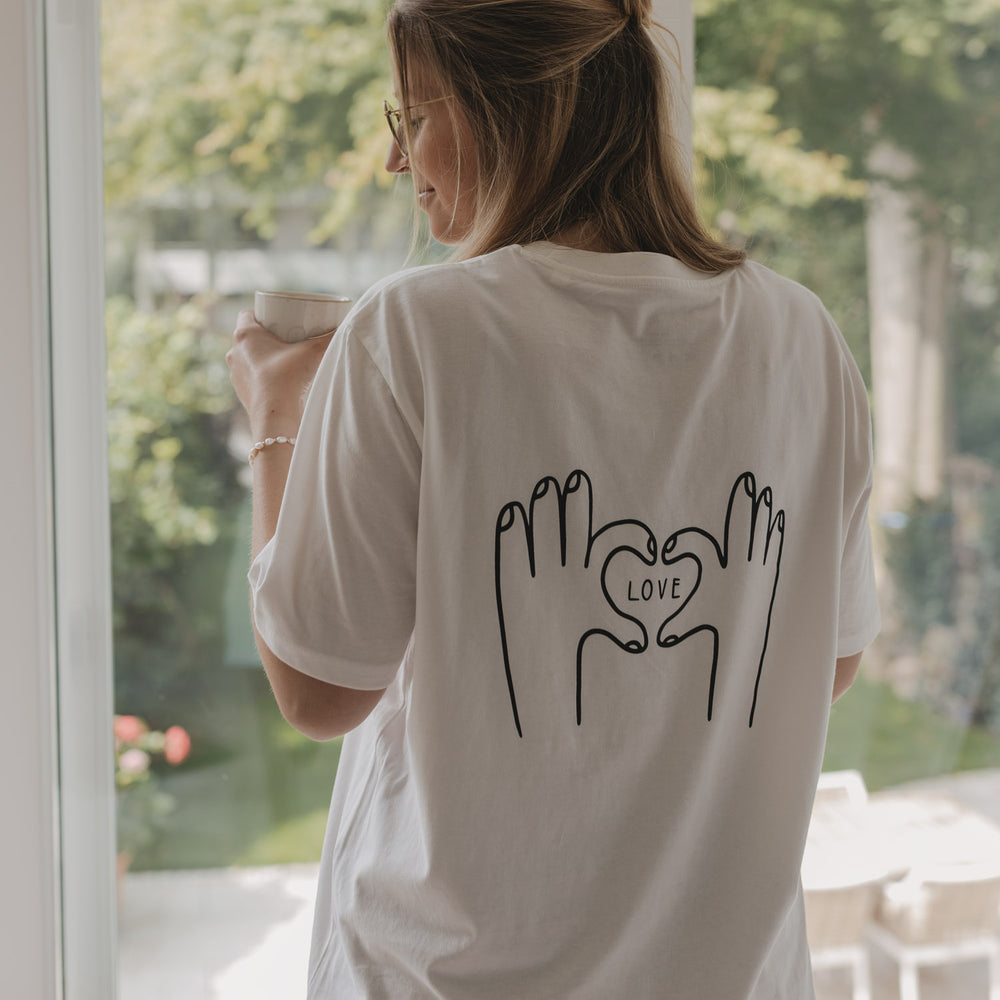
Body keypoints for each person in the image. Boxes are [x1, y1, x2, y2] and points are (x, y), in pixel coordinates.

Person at [226, 0, 880, 995]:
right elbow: (822, 662)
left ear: (503, 111)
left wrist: (279, 419)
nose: (397, 162)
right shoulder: (800, 337)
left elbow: (317, 687)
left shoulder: (416, 330)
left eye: (412, 116)